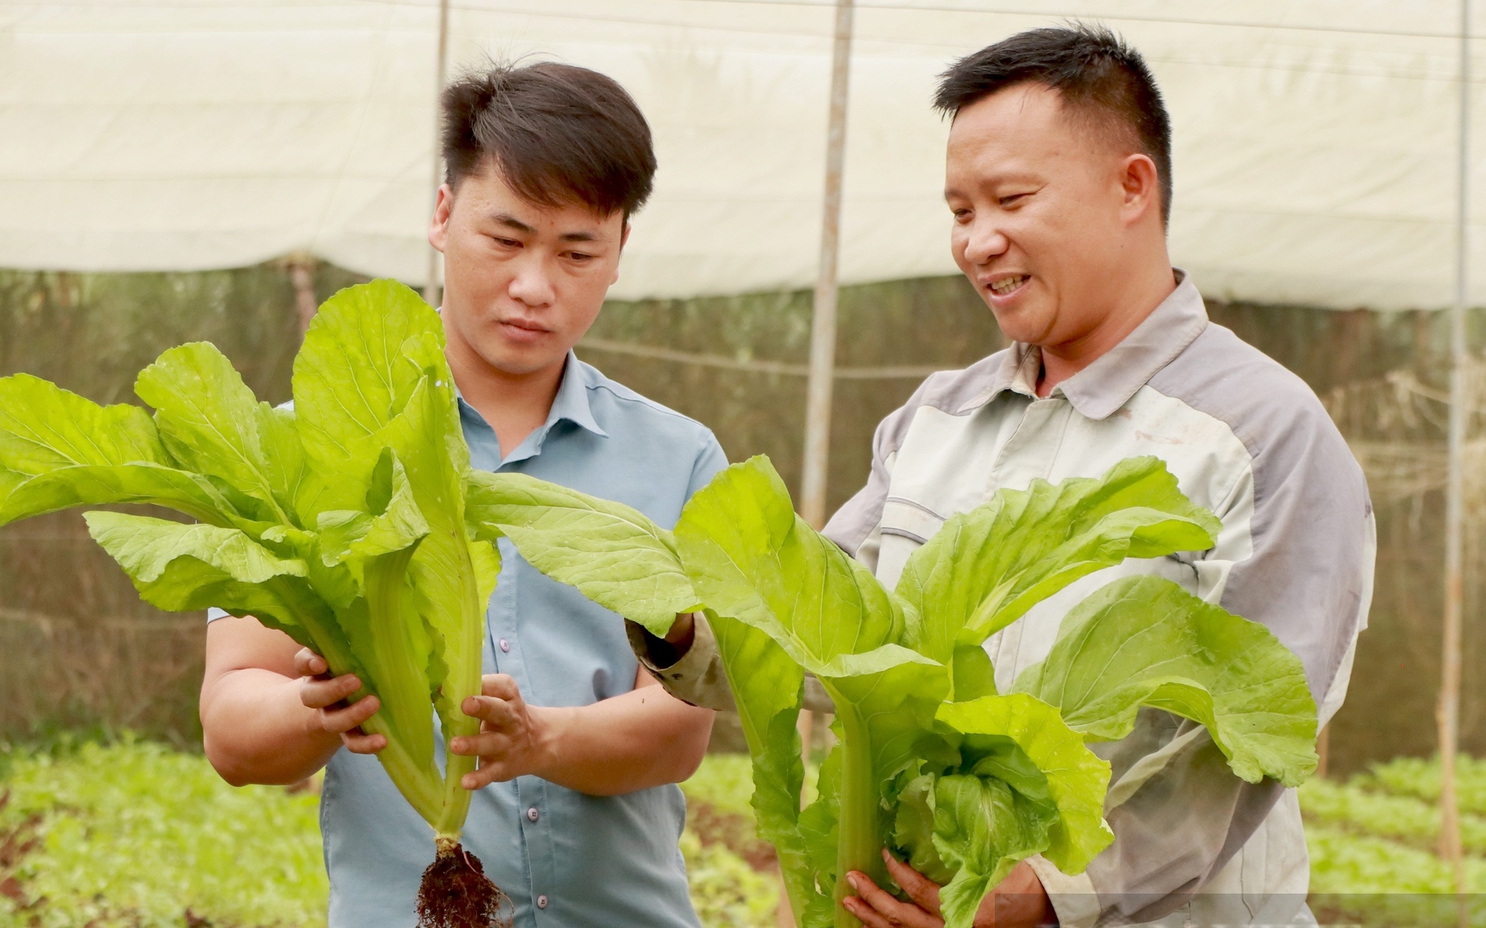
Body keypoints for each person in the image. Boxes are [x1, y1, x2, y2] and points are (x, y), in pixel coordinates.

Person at [636, 25, 1374, 928]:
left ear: (1131, 187)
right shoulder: (933, 421)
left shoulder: (1262, 433)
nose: (978, 242)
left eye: (1010, 200)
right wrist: (680, 622)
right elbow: (826, 633)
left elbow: (1254, 735)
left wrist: (1048, 891)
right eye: (958, 211)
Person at [198, 62, 724, 928]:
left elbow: (682, 726)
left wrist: (542, 742)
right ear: (443, 216)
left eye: (576, 252)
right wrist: (313, 709)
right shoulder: (308, 445)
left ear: (621, 250)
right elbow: (231, 727)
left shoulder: (676, 459)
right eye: (507, 238)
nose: (534, 285)